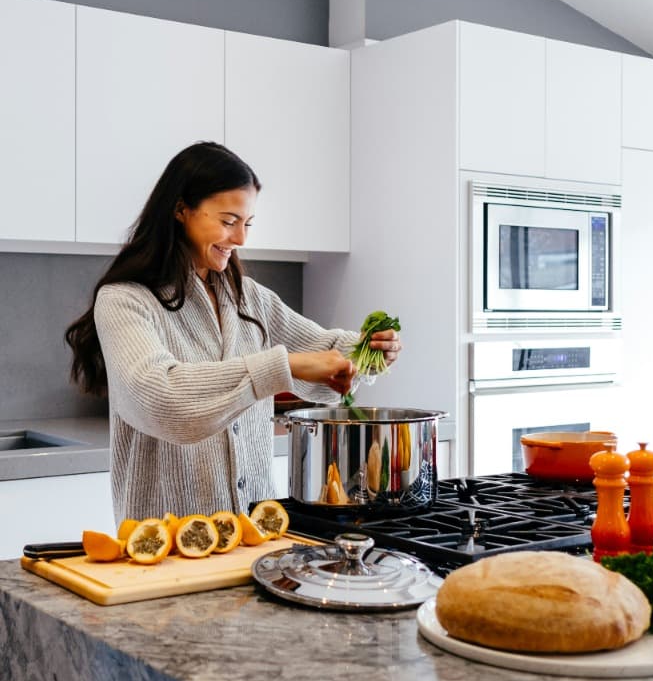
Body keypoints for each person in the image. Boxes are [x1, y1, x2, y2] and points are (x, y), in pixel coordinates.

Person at [65, 141, 401, 525]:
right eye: (228, 221)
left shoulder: (249, 298)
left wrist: (368, 351)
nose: (241, 239)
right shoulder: (125, 301)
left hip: (256, 533)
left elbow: (322, 350)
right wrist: (281, 367)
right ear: (180, 210)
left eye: (247, 223)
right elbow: (160, 398)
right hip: (165, 542)